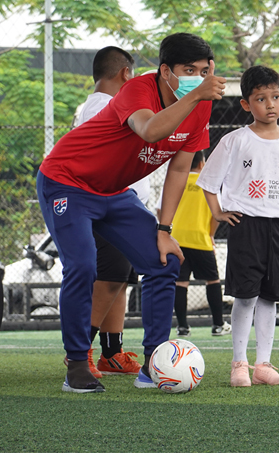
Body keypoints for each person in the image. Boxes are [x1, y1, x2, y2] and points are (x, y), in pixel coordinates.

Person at [35, 32, 224, 393]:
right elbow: (151, 131)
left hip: (113, 192)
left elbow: (181, 169)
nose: (196, 78)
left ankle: (154, 364)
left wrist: (164, 229)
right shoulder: (138, 89)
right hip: (66, 181)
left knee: (165, 260)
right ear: (165, 71)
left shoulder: (200, 105)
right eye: (188, 70)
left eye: (203, 71)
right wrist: (199, 92)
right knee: (84, 266)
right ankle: (77, 363)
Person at [197, 66, 279, 387]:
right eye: (261, 98)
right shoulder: (234, 141)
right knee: (246, 296)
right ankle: (239, 364)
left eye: (276, 97)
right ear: (246, 104)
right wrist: (219, 212)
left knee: (270, 298)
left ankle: (263, 364)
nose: (270, 104)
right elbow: (208, 182)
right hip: (246, 227)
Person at [72, 46, 144, 377]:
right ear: (126, 74)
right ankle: (78, 352)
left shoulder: (95, 105)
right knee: (109, 277)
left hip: (122, 206)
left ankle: (111, 353)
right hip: (108, 204)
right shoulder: (106, 106)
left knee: (120, 280)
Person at [172, 153, 229, 339]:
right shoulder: (207, 182)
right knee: (212, 280)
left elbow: (159, 208)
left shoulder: (176, 180)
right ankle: (218, 324)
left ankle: (182, 327)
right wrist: (211, 234)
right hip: (200, 238)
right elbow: (216, 213)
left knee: (180, 282)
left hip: (177, 239)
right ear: (203, 162)